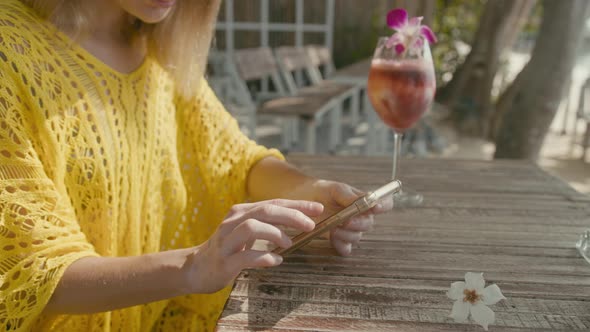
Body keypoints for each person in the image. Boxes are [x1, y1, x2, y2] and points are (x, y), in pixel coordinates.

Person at [0, 0, 392, 331]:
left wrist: (317, 197)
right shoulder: (10, 49)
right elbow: (32, 276)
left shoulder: (156, 49)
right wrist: (192, 267)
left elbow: (236, 160)